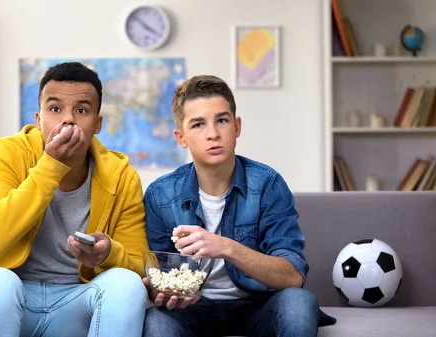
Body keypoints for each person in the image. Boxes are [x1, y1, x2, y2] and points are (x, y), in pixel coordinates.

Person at [0, 62, 149, 337]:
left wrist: (109, 253)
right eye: (55, 109)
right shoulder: (6, 153)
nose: (68, 119)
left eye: (82, 110)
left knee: (127, 284)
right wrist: (50, 165)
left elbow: (140, 266)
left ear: (97, 124)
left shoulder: (122, 176)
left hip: (76, 304)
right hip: (11, 298)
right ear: (38, 119)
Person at [142, 75, 336, 337]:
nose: (213, 134)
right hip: (194, 309)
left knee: (299, 302)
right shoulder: (160, 195)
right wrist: (161, 292)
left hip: (258, 305)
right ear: (181, 137)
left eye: (222, 120)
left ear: (237, 126)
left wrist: (226, 247)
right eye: (198, 124)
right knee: (155, 319)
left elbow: (293, 276)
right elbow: (162, 274)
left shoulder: (268, 184)